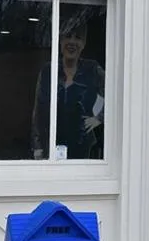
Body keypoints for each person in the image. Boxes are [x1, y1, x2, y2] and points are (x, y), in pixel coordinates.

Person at [32, 20, 105, 159]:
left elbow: (116, 93)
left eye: (78, 38)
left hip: (84, 147)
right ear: (60, 41)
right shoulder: (48, 70)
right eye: (68, 36)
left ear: (83, 44)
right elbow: (38, 111)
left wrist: (100, 118)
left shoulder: (92, 69)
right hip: (51, 144)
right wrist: (37, 146)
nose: (72, 42)